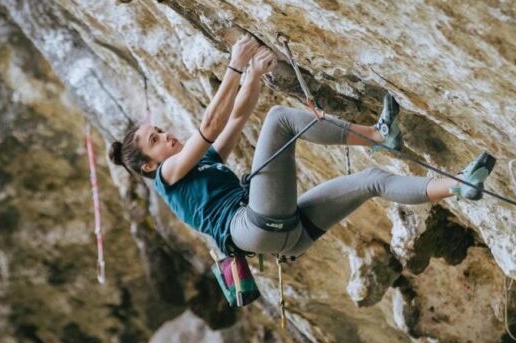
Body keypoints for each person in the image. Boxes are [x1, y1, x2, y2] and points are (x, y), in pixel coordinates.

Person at [108, 35, 496, 258]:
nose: (166, 136)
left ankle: (459, 185)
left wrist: (255, 75)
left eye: (159, 130)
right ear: (147, 165)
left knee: (372, 180)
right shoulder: (166, 177)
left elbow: (237, 118)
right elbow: (209, 125)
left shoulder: (201, 165)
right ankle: (379, 136)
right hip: (251, 226)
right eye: (156, 141)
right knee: (280, 119)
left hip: (285, 237)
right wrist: (235, 65)